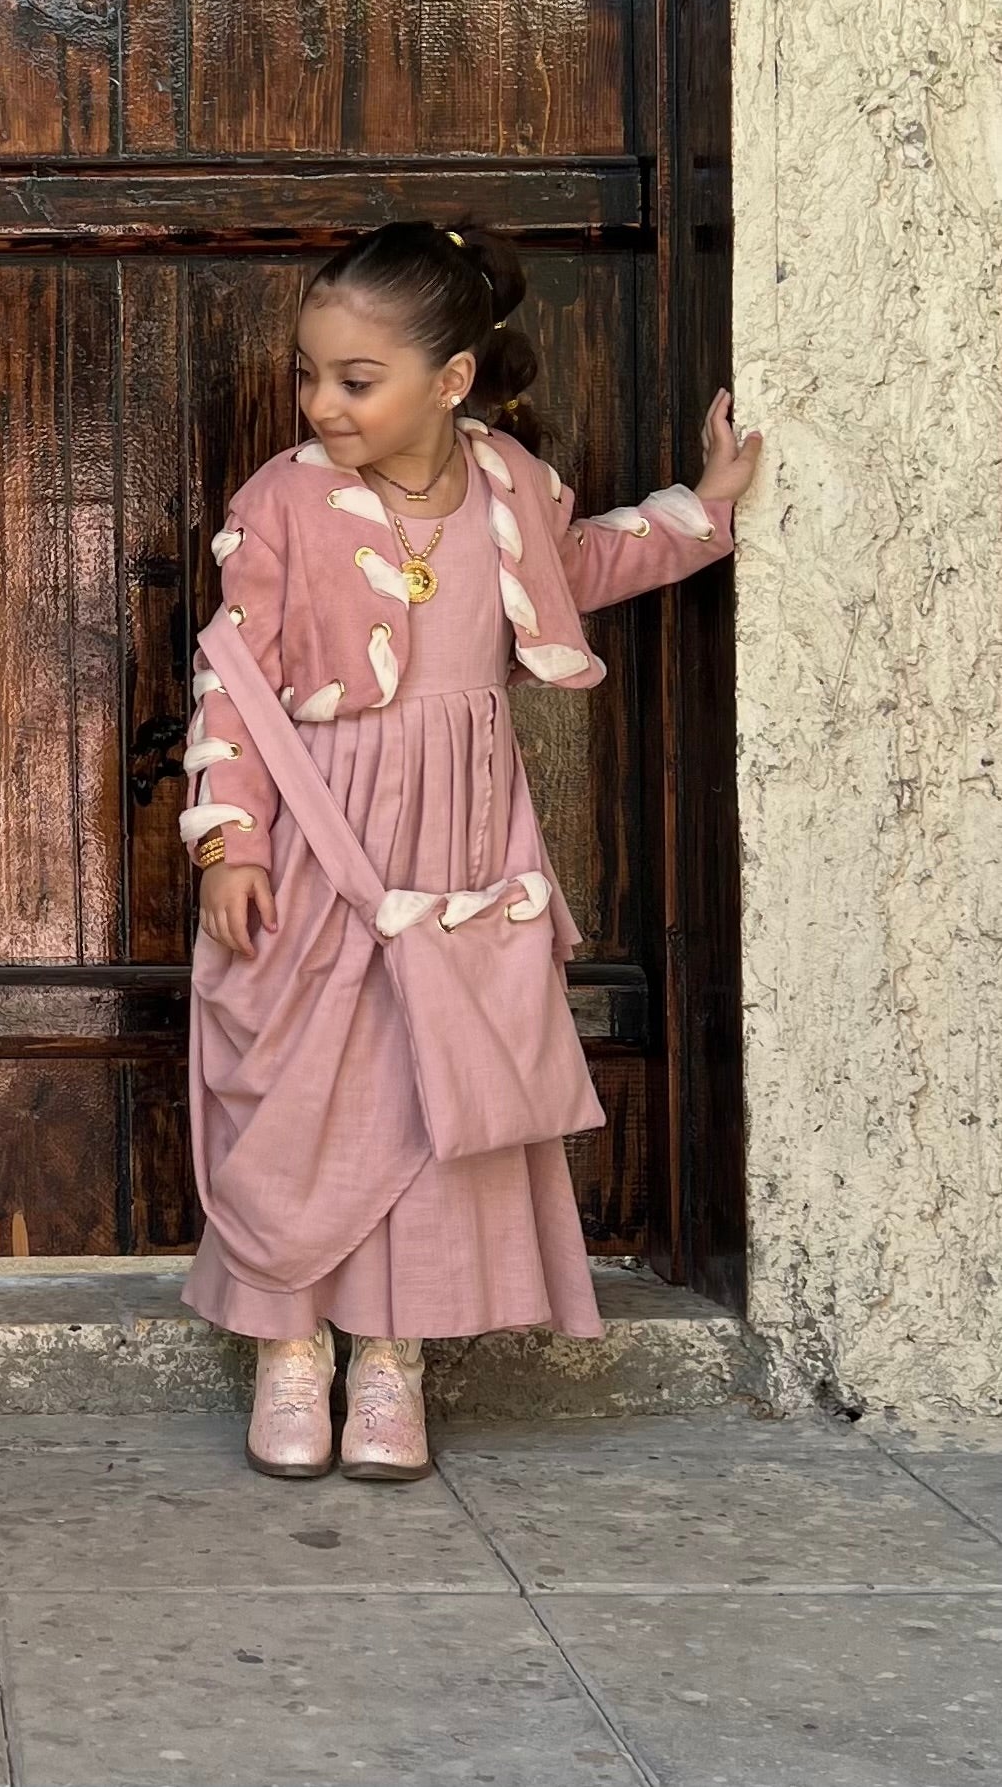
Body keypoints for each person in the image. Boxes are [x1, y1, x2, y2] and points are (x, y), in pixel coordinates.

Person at [181, 220, 761, 1481]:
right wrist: (231, 840)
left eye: (356, 379)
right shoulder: (280, 501)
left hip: (461, 846)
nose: (321, 402)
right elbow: (232, 680)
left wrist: (704, 509)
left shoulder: (510, 483)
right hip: (324, 839)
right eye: (308, 374)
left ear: (451, 379)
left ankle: (394, 1357)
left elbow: (582, 563)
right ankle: (291, 1348)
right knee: (311, 1086)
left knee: (431, 1090)